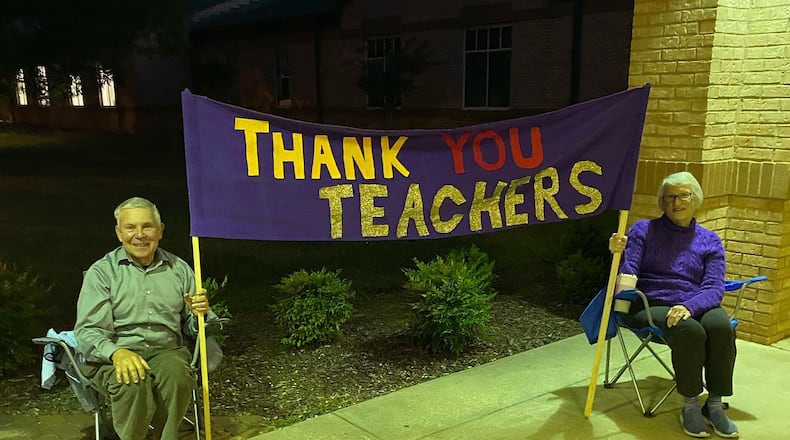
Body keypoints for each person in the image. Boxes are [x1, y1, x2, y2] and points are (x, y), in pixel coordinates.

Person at [609, 171, 739, 439]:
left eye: (683, 195)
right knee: (689, 331)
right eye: (668, 197)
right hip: (651, 302)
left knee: (721, 326)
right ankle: (690, 405)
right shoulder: (643, 230)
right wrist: (616, 253)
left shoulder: (710, 240)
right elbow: (628, 272)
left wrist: (689, 306)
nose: (675, 202)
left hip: (693, 302)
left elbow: (714, 287)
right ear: (661, 201)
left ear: (696, 198)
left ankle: (713, 404)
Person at [75, 197, 212, 440]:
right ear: (119, 233)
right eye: (130, 228)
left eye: (147, 226)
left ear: (160, 231)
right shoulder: (101, 273)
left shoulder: (179, 269)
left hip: (166, 351)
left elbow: (196, 329)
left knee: (178, 375)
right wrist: (117, 353)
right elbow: (87, 332)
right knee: (132, 382)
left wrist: (199, 314)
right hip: (114, 353)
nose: (140, 235)